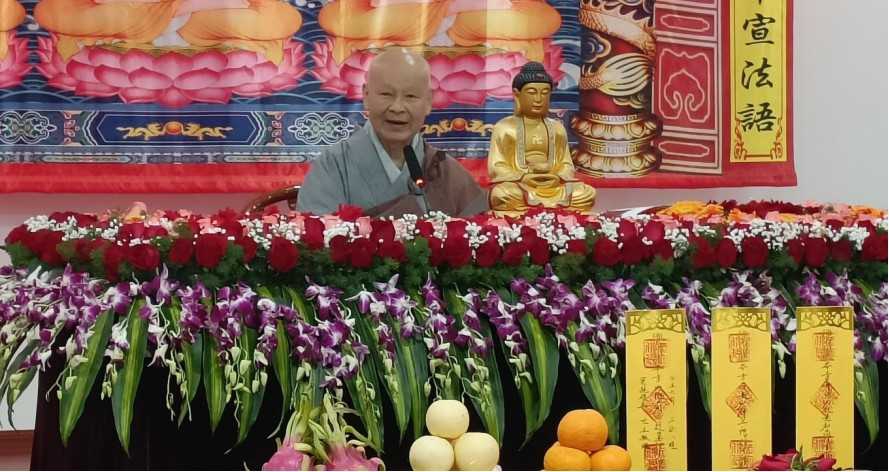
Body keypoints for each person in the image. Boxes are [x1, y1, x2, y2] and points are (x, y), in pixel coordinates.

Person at [297, 47, 488, 217]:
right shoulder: (334, 166)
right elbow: (314, 248)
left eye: (411, 96)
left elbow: (479, 239)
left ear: (428, 102)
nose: (397, 107)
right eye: (386, 94)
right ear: (366, 95)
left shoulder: (442, 170)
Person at [487, 61, 596, 216]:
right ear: (517, 94)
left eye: (544, 93)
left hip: (552, 185)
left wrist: (555, 176)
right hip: (521, 185)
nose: (538, 99)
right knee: (503, 194)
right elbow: (496, 167)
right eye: (532, 92)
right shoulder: (504, 127)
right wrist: (524, 176)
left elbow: (566, 164)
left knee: (586, 194)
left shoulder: (556, 127)